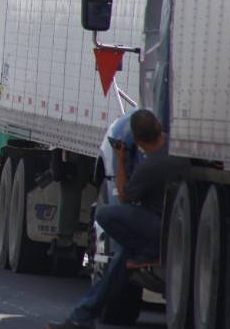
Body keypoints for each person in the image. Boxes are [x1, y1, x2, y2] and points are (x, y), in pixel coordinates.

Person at [48, 109, 182, 329]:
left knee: (104, 214)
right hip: (171, 225)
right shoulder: (176, 150)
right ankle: (81, 317)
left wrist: (121, 160)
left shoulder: (150, 166)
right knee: (123, 258)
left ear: (137, 140)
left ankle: (147, 249)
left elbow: (125, 195)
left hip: (157, 229)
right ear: (159, 126)